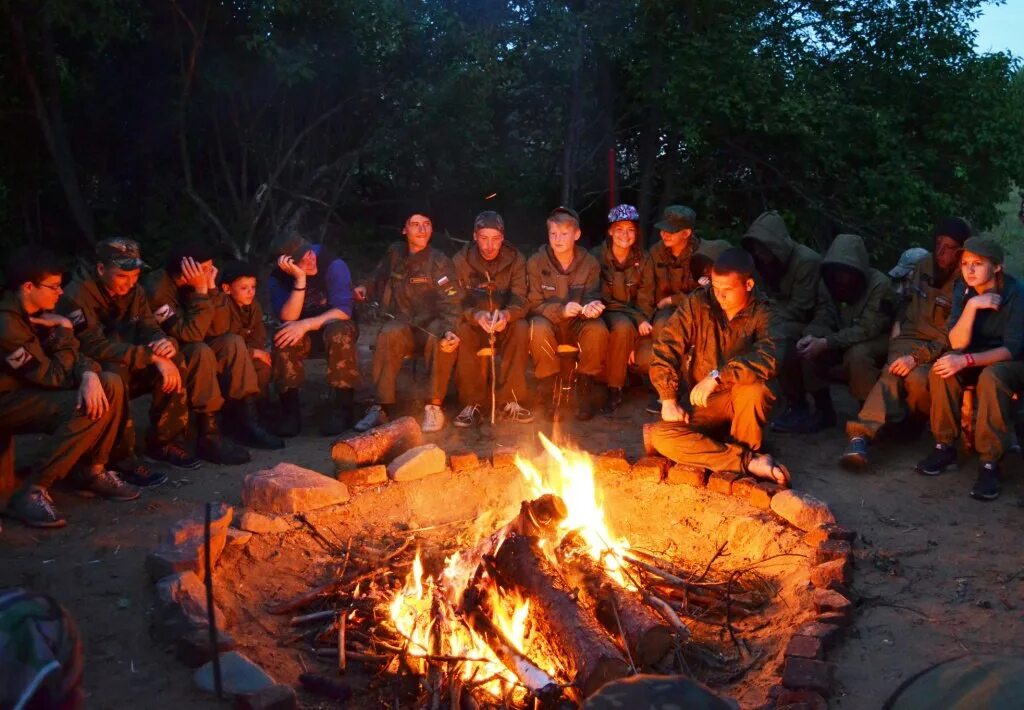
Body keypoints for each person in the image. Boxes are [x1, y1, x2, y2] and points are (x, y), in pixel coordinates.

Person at [59, 237, 230, 473]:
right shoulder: (76, 295)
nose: (129, 283)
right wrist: (150, 356)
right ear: (101, 269)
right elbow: (92, 346)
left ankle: (165, 442)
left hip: (130, 359)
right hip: (88, 369)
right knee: (114, 371)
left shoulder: (135, 291)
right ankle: (121, 456)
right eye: (122, 275)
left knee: (175, 359)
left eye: (135, 275)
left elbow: (149, 327)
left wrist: (164, 343)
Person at [1, 247, 138, 529]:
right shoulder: (7, 324)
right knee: (86, 406)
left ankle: (92, 470)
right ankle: (33, 489)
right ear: (28, 287)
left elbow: (77, 357)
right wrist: (64, 329)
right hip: (8, 400)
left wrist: (88, 371)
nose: (60, 293)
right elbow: (51, 376)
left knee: (109, 381)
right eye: (53, 287)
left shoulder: (38, 312)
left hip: (29, 392)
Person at [648, 247, 789, 485]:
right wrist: (669, 398)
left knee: (755, 389)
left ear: (748, 285)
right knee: (660, 436)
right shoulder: (699, 302)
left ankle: (737, 458)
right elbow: (666, 346)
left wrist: (717, 376)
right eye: (715, 287)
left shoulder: (766, 312)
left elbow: (770, 357)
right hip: (704, 403)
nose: (719, 296)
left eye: (727, 290)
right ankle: (750, 462)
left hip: (741, 399)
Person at [841, 219, 969, 467]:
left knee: (916, 377)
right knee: (893, 370)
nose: (941, 252)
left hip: (939, 346)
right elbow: (905, 301)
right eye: (938, 244)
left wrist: (917, 358)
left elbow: (951, 335)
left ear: (961, 250)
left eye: (950, 247)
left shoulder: (964, 280)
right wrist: (897, 326)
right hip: (908, 338)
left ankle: (899, 425)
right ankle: (860, 435)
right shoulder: (923, 265)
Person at [916, 237, 1024, 501]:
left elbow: (1011, 349)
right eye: (965, 264)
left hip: (1012, 361)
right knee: (943, 369)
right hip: (974, 353)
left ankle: (990, 461)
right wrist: (973, 305)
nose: (970, 270)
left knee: (992, 376)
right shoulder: (963, 288)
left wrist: (966, 361)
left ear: (997, 267)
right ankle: (944, 446)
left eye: (978, 264)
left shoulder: (1016, 293)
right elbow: (957, 341)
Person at [145, 243, 280, 451]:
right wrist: (200, 291)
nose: (211, 273)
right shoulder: (159, 290)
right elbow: (191, 335)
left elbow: (220, 328)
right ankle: (209, 434)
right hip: (169, 352)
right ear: (187, 269)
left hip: (195, 344)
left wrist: (211, 290)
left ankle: (246, 421)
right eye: (206, 269)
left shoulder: (201, 284)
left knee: (232, 342)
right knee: (202, 350)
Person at [774, 233, 895, 433]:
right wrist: (812, 336)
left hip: (878, 339)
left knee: (858, 355)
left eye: (846, 271)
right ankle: (823, 410)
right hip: (840, 336)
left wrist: (827, 342)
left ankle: (867, 415)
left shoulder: (879, 285)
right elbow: (824, 315)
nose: (841, 277)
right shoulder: (828, 283)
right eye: (836, 270)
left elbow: (869, 328)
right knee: (807, 348)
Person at [353, 211, 461, 433]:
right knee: (388, 333)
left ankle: (434, 406)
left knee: (439, 335)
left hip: (432, 323)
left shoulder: (439, 261)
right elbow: (377, 277)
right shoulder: (395, 254)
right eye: (415, 224)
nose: (421, 229)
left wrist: (450, 330)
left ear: (431, 230)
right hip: (404, 324)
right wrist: (365, 287)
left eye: (426, 224)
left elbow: (452, 300)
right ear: (405, 230)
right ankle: (380, 407)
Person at [269, 232, 360, 436]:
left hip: (334, 325)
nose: (311, 259)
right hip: (304, 334)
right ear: (287, 266)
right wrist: (300, 279)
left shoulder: (333, 265)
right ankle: (290, 412)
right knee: (283, 337)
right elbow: (288, 317)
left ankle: (344, 408)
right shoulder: (278, 279)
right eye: (302, 259)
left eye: (310, 252)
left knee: (339, 332)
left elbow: (344, 311)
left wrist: (305, 324)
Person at [451, 211, 533, 427]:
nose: (489, 245)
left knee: (521, 327)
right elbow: (454, 301)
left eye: (495, 239)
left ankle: (511, 401)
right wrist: (475, 315)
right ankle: (472, 403)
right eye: (484, 238)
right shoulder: (461, 260)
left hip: (503, 321)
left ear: (502, 238)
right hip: (475, 321)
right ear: (475, 236)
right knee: (463, 331)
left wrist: (507, 315)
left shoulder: (516, 259)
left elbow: (521, 299)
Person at [740, 211, 823, 424]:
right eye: (755, 247)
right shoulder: (761, 263)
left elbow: (802, 307)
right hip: (776, 316)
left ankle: (798, 403)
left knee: (780, 339)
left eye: (763, 246)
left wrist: (763, 317)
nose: (758, 252)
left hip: (813, 321)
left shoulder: (807, 261)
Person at [527, 206, 608, 421]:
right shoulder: (536, 262)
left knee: (598, 328)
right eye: (553, 234)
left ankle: (584, 387)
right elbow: (533, 303)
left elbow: (592, 294)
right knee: (537, 327)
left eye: (564, 234)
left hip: (578, 322)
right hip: (549, 321)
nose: (558, 239)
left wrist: (591, 307)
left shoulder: (589, 262)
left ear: (577, 235)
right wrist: (561, 310)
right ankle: (548, 390)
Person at [593, 204, 654, 413]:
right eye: (619, 229)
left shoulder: (644, 259)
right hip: (605, 311)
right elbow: (603, 299)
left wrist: (641, 318)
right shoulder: (596, 257)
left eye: (630, 229)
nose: (625, 235)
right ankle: (614, 387)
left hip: (635, 315)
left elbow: (646, 296)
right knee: (622, 325)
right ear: (610, 231)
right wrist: (637, 318)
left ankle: (624, 383)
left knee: (630, 330)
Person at [217, 260, 273, 399]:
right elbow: (221, 340)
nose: (250, 292)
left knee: (263, 367)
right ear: (226, 288)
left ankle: (261, 406)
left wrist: (257, 352)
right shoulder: (220, 306)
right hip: (223, 357)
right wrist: (253, 352)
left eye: (253, 287)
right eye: (244, 288)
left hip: (247, 352)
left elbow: (258, 335)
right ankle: (241, 408)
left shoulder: (254, 307)